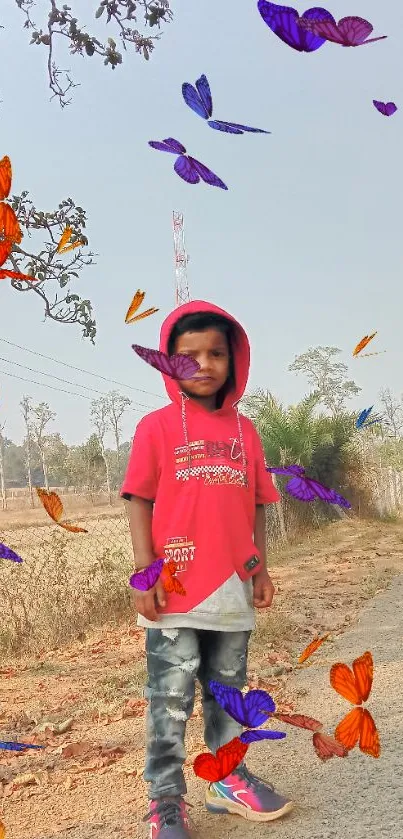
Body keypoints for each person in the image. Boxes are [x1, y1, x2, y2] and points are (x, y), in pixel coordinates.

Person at [121, 300, 293, 839]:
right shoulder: (155, 428)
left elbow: (258, 505)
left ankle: (227, 777)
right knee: (170, 698)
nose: (204, 364)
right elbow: (138, 500)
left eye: (216, 352)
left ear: (235, 359)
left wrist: (259, 568)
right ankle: (165, 802)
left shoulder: (247, 433)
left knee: (228, 689)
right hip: (173, 588)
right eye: (188, 354)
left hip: (232, 587)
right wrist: (144, 572)